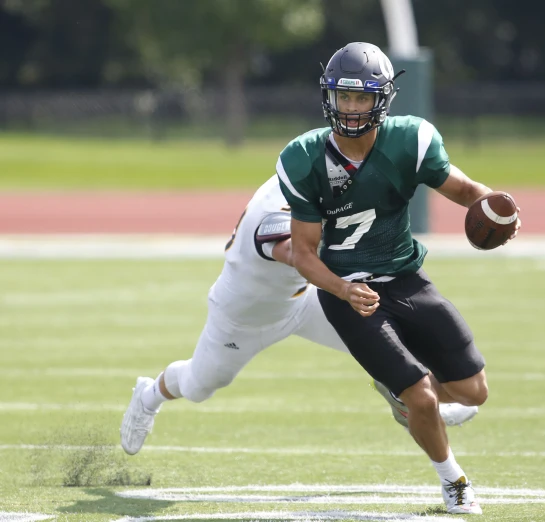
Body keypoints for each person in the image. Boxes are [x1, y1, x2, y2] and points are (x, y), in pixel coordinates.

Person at [278, 42, 521, 515]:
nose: (351, 108)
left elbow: (466, 189)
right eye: (343, 97)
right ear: (329, 97)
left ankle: (398, 392)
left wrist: (499, 207)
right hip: (349, 292)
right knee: (424, 399)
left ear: (382, 100)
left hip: (405, 277)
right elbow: (304, 254)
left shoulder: (409, 140)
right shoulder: (306, 157)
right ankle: (453, 480)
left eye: (361, 98)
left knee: (475, 391)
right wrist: (342, 288)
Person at [119, 175, 480, 457]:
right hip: (243, 320)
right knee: (200, 386)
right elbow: (296, 252)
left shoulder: (318, 183)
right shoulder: (275, 211)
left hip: (305, 301)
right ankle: (148, 395)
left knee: (384, 336)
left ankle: (405, 400)